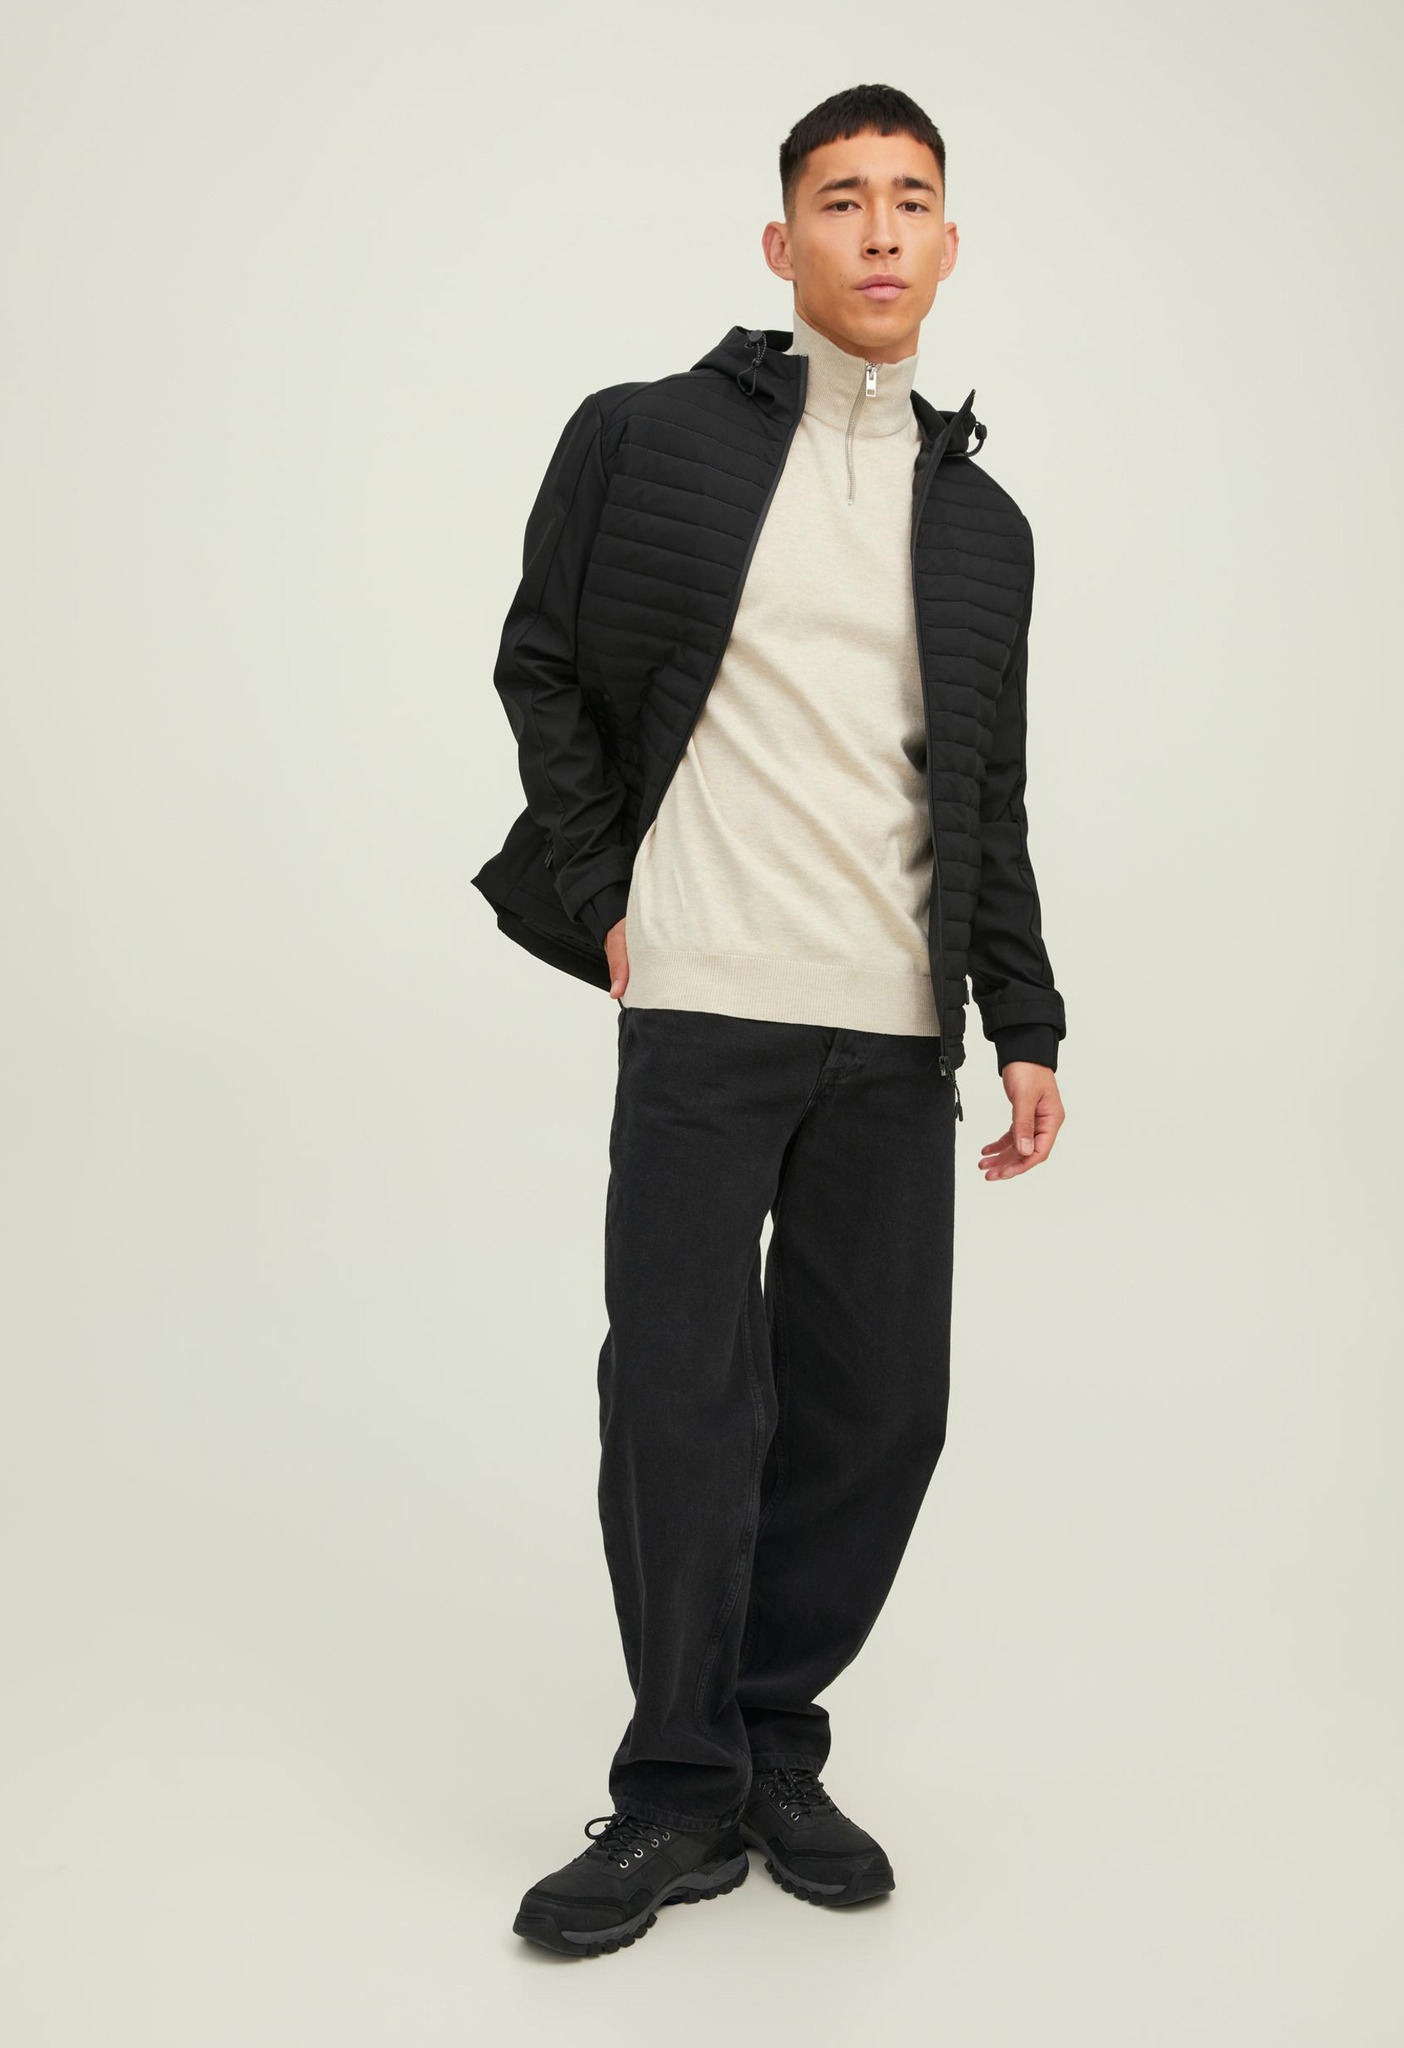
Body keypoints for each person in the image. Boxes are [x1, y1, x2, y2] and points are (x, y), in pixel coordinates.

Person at [471, 82, 1067, 1958]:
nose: (879, 228)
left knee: (882, 1413)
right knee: (678, 1394)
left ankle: (766, 1735)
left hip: (894, 1027)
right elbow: (543, 667)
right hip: (707, 1000)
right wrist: (610, 901)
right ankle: (674, 1791)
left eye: (912, 199)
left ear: (950, 243)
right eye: (842, 198)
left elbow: (989, 791)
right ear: (781, 240)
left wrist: (1025, 1015)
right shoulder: (643, 438)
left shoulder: (984, 527)